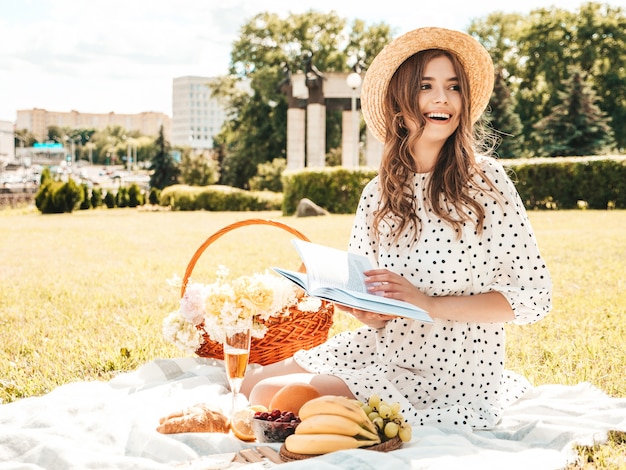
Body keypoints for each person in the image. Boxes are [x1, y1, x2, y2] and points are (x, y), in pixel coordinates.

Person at [241, 27, 552, 430]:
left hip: (453, 369)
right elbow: (368, 291)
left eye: (453, 87)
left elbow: (534, 298)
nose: (442, 98)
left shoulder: (487, 182)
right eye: (426, 86)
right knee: (250, 381)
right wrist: (365, 311)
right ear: (400, 102)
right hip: (381, 346)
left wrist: (430, 304)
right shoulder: (379, 191)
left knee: (272, 397)